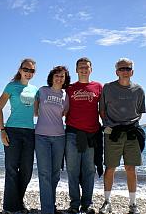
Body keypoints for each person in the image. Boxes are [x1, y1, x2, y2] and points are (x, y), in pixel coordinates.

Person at [99, 58, 146, 214]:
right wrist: (109, 126)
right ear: (116, 71)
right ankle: (107, 202)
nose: (125, 71)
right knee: (110, 168)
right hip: (112, 133)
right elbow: (102, 110)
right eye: (122, 68)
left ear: (132, 71)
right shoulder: (108, 88)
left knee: (130, 168)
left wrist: (130, 125)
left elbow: (140, 112)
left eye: (128, 68)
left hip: (132, 133)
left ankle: (133, 204)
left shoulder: (139, 90)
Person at [0, 58, 38, 214]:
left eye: (31, 70)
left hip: (30, 132)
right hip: (12, 131)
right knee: (12, 169)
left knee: (27, 171)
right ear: (20, 70)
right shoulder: (11, 86)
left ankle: (17, 203)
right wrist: (2, 130)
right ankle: (10, 207)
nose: (28, 73)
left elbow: (37, 112)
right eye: (26, 69)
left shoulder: (35, 90)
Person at [65, 57, 103, 214]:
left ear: (91, 69)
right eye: (81, 67)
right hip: (72, 134)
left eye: (86, 67)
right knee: (72, 171)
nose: (83, 69)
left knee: (89, 170)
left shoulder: (98, 87)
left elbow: (105, 109)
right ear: (76, 70)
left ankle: (87, 204)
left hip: (91, 135)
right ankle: (74, 204)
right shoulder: (69, 88)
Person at [34, 66, 71, 214]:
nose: (59, 78)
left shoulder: (65, 95)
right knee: (44, 173)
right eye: (57, 75)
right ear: (52, 76)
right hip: (41, 136)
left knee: (55, 174)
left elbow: (65, 114)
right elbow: (35, 109)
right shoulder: (42, 90)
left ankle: (51, 204)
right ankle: (47, 209)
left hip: (59, 137)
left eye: (62, 76)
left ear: (65, 79)